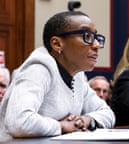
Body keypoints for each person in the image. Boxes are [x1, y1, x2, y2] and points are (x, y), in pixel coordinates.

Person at [0, 11, 115, 139]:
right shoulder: (38, 69)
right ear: (57, 44)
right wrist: (61, 126)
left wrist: (86, 120)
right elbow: (18, 122)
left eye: (96, 37)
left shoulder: (76, 75)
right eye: (87, 36)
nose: (97, 45)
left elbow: (107, 113)